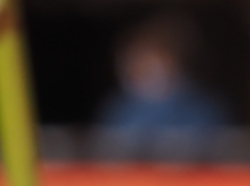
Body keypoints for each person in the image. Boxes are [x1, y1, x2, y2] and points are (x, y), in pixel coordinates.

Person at [97, 19, 227, 137]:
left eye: (147, 61)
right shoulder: (118, 109)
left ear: (172, 60)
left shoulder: (203, 108)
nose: (138, 70)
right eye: (132, 61)